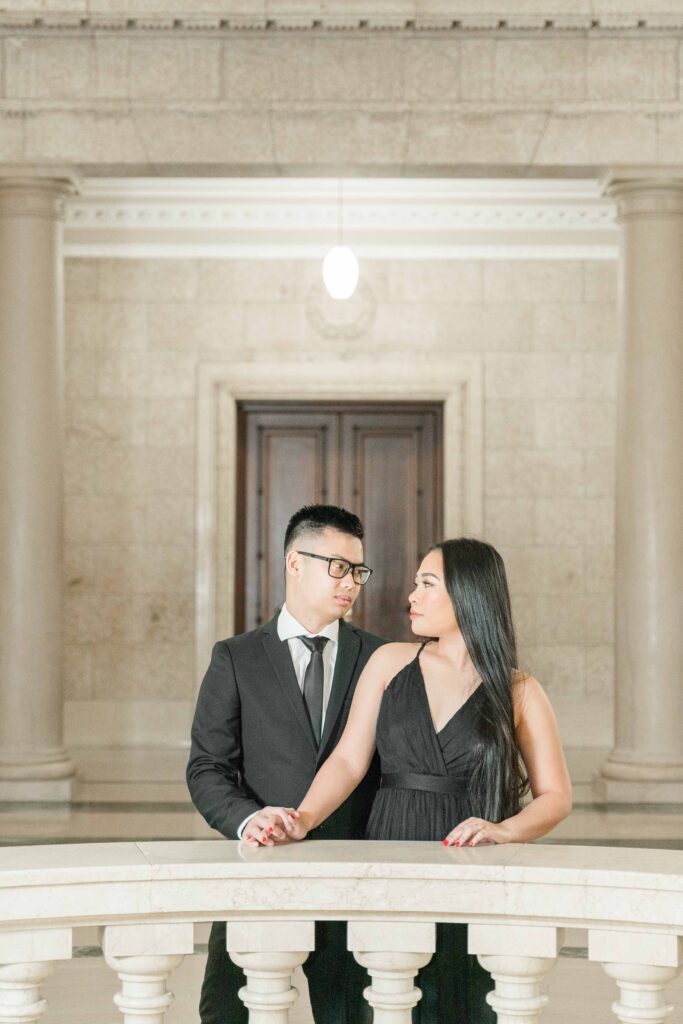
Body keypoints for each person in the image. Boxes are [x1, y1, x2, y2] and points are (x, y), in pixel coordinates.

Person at [256, 537, 573, 1024]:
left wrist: (504, 830)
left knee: (465, 999)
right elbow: (347, 761)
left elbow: (556, 796)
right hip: (390, 851)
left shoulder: (520, 690)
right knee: (384, 998)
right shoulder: (390, 662)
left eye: (427, 584)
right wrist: (303, 818)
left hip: (473, 867)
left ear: (468, 595)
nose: (412, 596)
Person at [186, 504, 387, 1024]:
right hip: (260, 866)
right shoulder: (235, 657)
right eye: (338, 566)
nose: (352, 583)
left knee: (350, 1015)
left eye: (358, 571)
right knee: (227, 1012)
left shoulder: (380, 658)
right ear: (295, 563)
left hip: (354, 874)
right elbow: (208, 766)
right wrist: (249, 820)